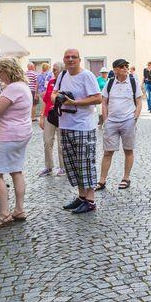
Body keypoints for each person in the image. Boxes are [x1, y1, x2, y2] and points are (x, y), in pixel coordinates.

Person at [0, 58, 33, 229]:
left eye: (0, 73)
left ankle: (4, 214)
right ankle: (19, 210)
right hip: (22, 133)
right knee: (16, 171)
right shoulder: (23, 86)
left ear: (7, 71)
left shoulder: (12, 88)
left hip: (9, 135)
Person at [53, 48, 103, 214]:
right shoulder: (62, 75)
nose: (70, 59)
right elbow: (54, 93)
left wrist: (74, 102)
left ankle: (90, 201)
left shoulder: (87, 75)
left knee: (85, 163)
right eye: (67, 57)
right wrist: (57, 99)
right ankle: (81, 197)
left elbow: (97, 98)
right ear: (64, 59)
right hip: (66, 124)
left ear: (79, 59)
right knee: (73, 164)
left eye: (74, 57)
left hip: (83, 126)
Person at [99, 59, 143, 190]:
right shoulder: (110, 82)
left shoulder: (133, 82)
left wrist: (134, 118)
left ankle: (126, 178)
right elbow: (104, 102)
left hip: (128, 121)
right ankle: (102, 180)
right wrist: (106, 120)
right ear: (115, 70)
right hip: (111, 122)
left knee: (128, 150)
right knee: (107, 152)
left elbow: (139, 102)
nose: (125, 68)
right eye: (122, 66)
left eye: (126, 66)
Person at [39, 62, 65, 177]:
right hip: (49, 115)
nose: (52, 72)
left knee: (61, 143)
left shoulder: (66, 83)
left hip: (62, 116)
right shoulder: (50, 82)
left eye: (55, 70)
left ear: (61, 70)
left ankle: (63, 167)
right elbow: (45, 100)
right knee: (47, 142)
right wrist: (41, 117)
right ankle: (48, 167)